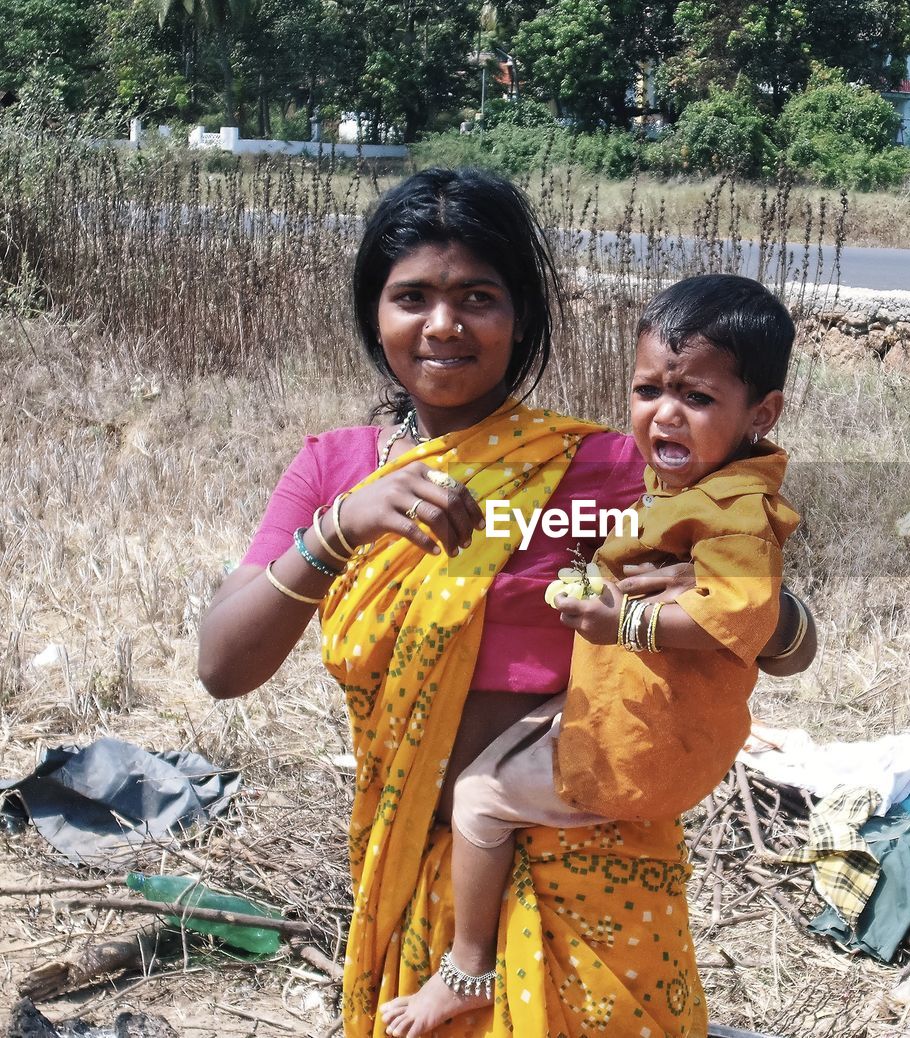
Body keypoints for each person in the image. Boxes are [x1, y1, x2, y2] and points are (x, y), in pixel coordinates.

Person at [197, 167, 817, 1038]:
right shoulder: (337, 472)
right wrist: (341, 529)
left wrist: (752, 611)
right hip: (420, 865)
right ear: (374, 314)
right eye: (411, 296)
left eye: (477, 296)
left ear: (520, 314)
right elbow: (223, 666)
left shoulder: (610, 466)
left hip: (590, 866)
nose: (443, 324)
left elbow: (783, 641)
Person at [379, 274, 801, 1037]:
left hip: (628, 752)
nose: (664, 414)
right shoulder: (652, 477)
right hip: (599, 719)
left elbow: (755, 620)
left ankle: (468, 968)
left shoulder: (712, 499)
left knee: (479, 797)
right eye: (646, 390)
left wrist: (630, 621)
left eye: (696, 399)